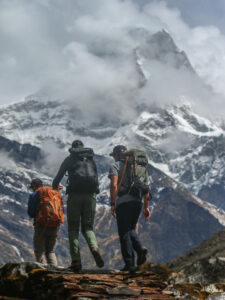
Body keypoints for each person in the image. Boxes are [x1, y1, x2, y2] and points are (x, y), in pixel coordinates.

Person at [52, 140, 104, 271]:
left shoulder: (70, 159)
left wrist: (55, 187)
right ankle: (94, 247)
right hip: (90, 195)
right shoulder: (90, 159)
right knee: (88, 227)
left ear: (73, 148)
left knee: (73, 228)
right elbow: (96, 178)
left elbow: (57, 177)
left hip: (74, 195)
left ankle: (76, 261)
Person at [108, 145, 151, 272]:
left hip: (124, 202)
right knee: (130, 229)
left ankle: (130, 263)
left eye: (114, 155)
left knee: (124, 233)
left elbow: (114, 185)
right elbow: (147, 189)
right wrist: (146, 207)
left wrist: (112, 203)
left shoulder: (115, 165)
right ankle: (140, 249)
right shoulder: (139, 167)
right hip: (138, 202)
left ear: (116, 155)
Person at [27, 178, 61, 266]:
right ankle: (55, 271)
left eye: (32, 187)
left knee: (39, 250)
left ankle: (43, 273)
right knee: (50, 250)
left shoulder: (35, 194)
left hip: (41, 225)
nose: (32, 189)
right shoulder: (53, 193)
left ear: (34, 186)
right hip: (55, 224)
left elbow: (31, 213)